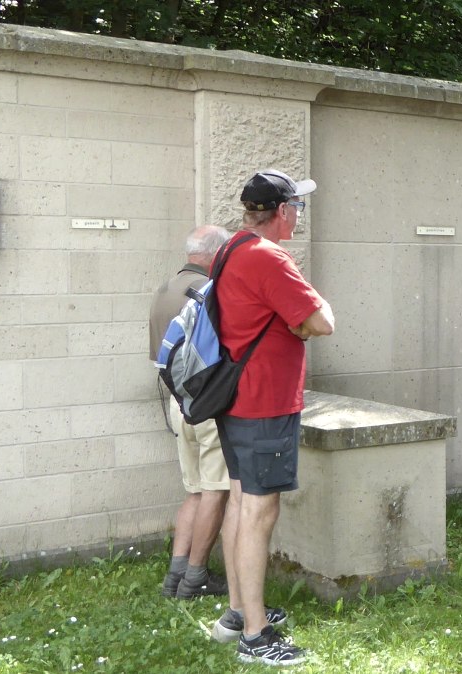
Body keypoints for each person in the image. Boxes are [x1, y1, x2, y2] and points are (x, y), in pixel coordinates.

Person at [209, 169, 335, 666]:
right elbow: (321, 322)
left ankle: (238, 613)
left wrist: (299, 321)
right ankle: (256, 637)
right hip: (265, 402)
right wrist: (310, 313)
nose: (300, 214)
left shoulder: (232, 247)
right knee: (259, 513)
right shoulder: (269, 257)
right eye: (297, 207)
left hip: (236, 399)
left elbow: (299, 322)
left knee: (242, 504)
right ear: (282, 212)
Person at [149, 224, 233, 600]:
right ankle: (195, 578)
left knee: (195, 491)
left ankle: (176, 575)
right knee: (215, 491)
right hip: (208, 402)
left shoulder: (165, 288)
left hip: (177, 402)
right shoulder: (209, 292)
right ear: (216, 253)